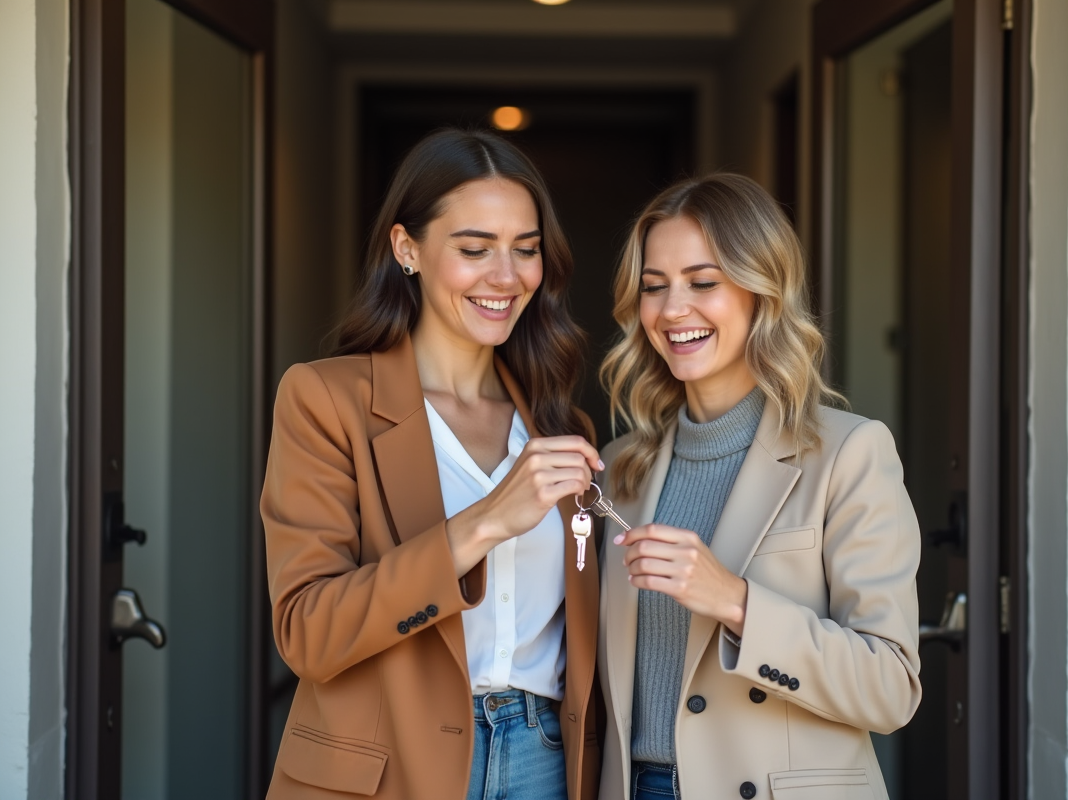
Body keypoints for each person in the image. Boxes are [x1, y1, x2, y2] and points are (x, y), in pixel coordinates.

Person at [262, 128, 603, 800]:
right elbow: (307, 631)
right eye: (474, 249)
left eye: (525, 249)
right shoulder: (326, 399)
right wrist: (484, 523)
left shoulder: (563, 428)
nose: (506, 276)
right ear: (407, 249)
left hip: (544, 761)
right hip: (391, 766)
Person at [595, 173, 921, 800]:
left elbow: (890, 688)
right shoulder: (618, 470)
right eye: (654, 286)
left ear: (761, 292)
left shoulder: (849, 453)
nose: (672, 309)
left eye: (703, 283)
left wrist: (738, 603)